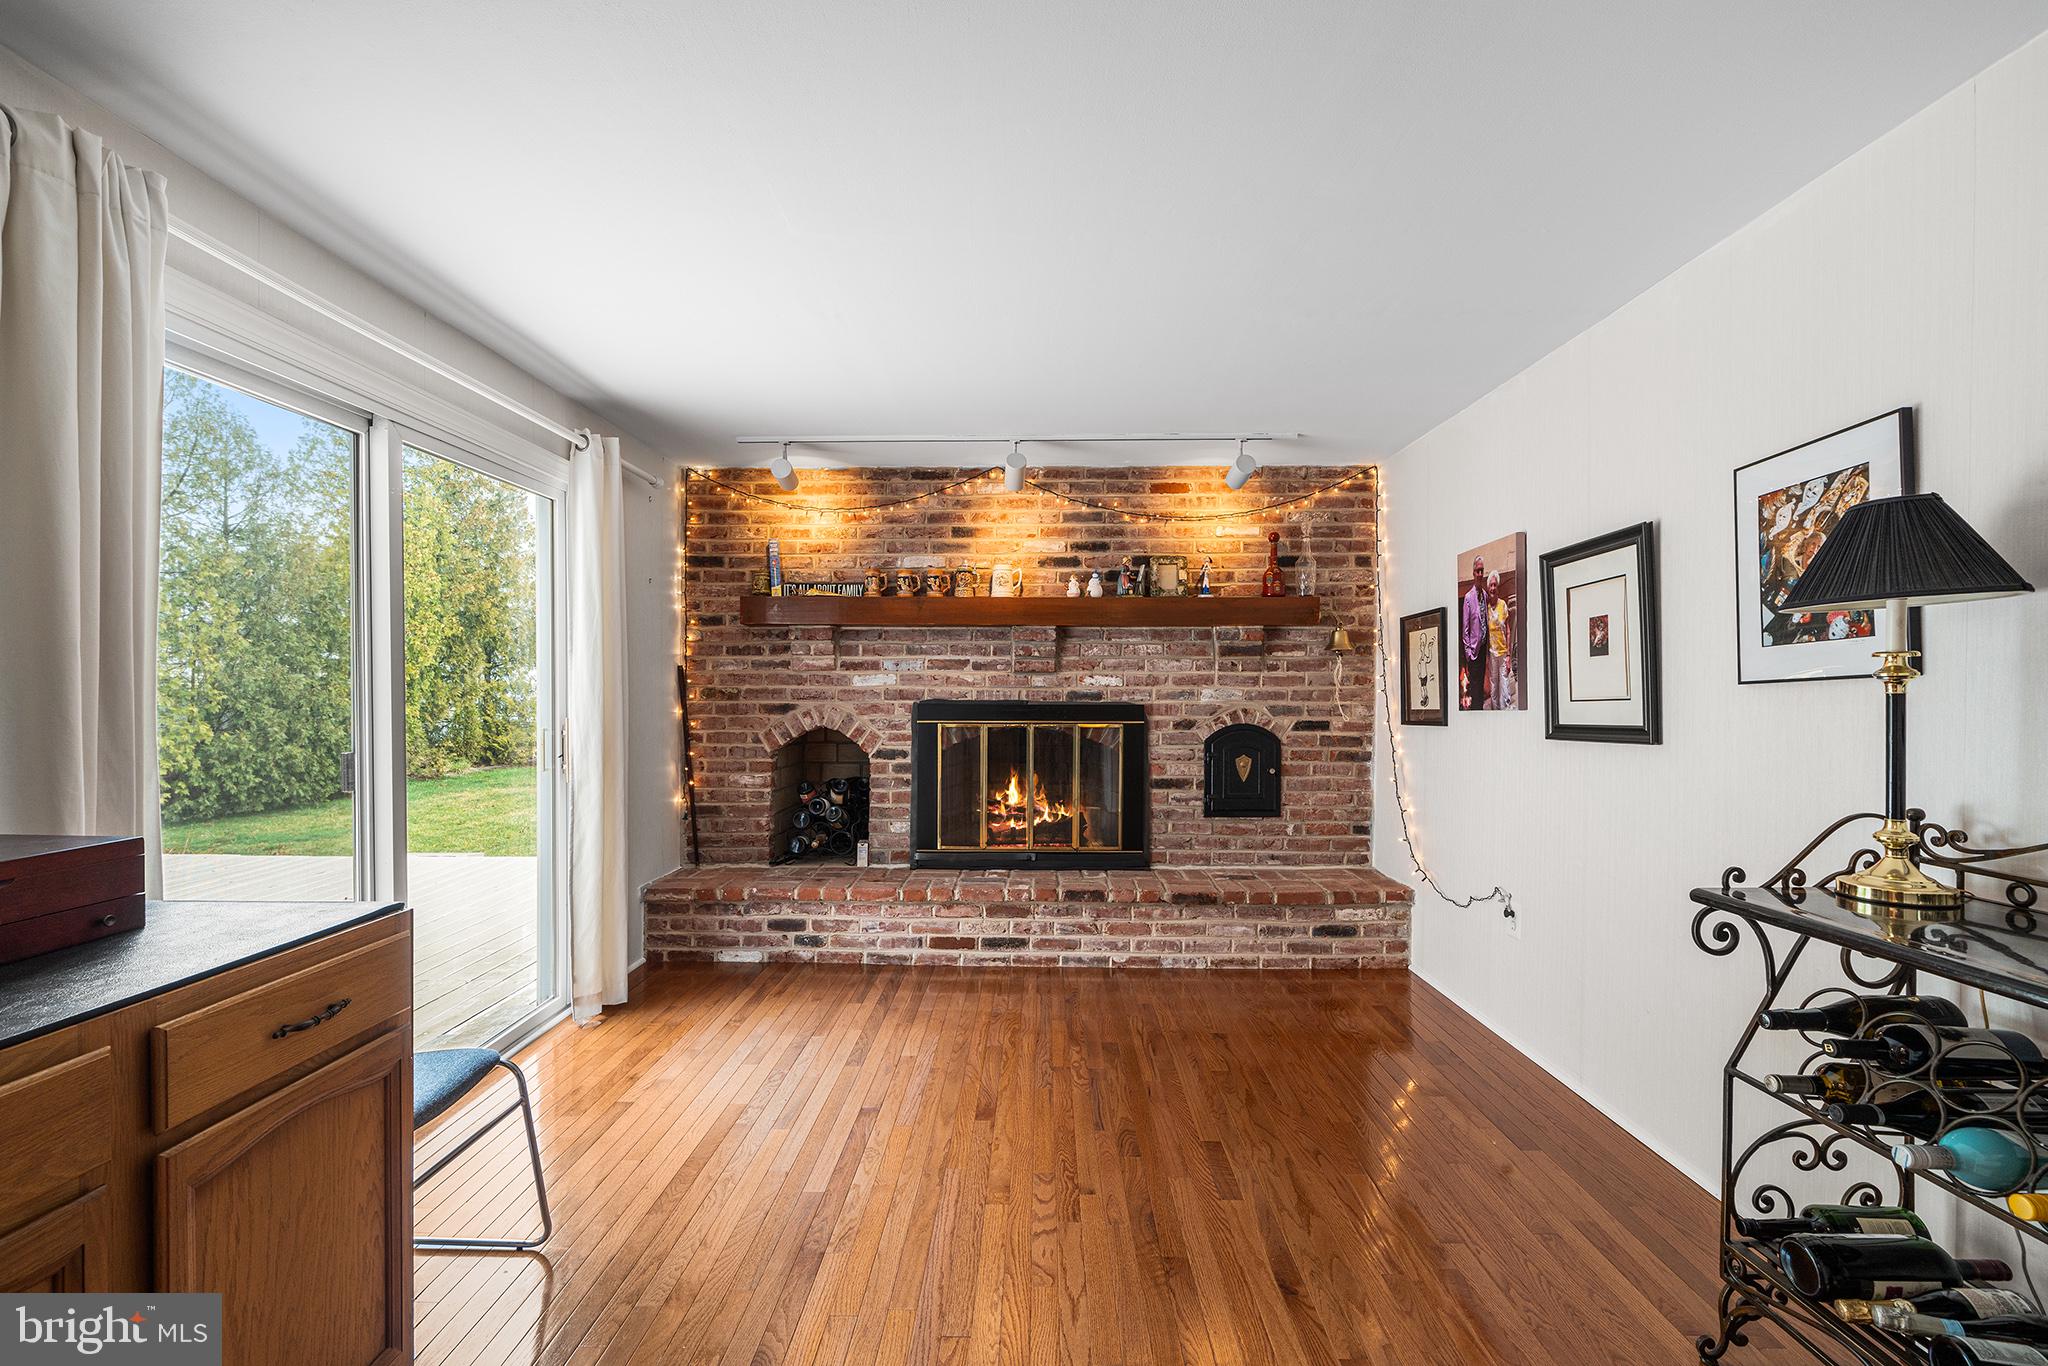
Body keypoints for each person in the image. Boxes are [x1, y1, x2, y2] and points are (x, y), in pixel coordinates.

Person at [1460, 555, 1488, 710]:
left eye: (1482, 570)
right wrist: (1468, 653)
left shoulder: (1484, 595)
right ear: (1473, 573)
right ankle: (1476, 710)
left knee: (1481, 683)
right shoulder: (1468, 598)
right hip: (1473, 651)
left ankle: (1480, 709)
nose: (1480, 574)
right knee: (1475, 686)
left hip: (1483, 648)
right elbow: (1465, 629)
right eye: (1478, 571)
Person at [1485, 570, 1515, 710]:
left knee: (1504, 685)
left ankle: (1506, 712)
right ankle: (1495, 713)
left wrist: (1508, 655)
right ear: (1488, 588)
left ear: (1497, 587)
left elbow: (1508, 631)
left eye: (1495, 585)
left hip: (1503, 653)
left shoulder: (1503, 605)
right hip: (1491, 653)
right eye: (1491, 585)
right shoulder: (1485, 608)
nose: (1493, 588)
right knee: (1493, 687)